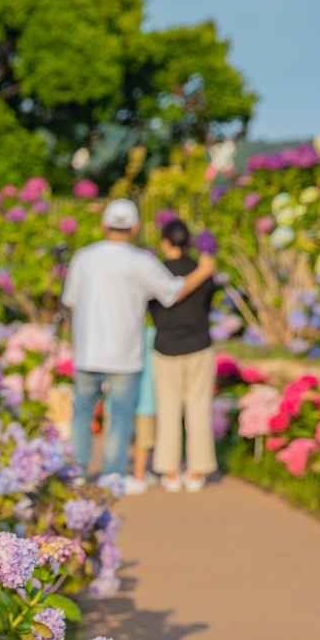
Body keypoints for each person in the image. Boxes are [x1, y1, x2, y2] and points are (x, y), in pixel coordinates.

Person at [60, 198, 215, 491]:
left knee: (82, 411)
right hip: (124, 354)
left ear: (104, 225)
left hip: (87, 351)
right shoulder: (141, 261)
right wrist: (203, 272)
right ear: (134, 228)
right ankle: (113, 472)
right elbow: (172, 292)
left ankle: (78, 469)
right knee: (119, 415)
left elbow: (69, 301)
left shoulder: (84, 258)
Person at [150, 219, 219, 492]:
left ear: (165, 242)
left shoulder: (156, 273)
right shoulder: (201, 271)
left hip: (165, 346)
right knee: (198, 408)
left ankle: (169, 472)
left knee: (168, 409)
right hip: (199, 345)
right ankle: (197, 471)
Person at [131, 325, 157, 486]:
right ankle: (139, 474)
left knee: (138, 438)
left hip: (129, 395)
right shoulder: (152, 333)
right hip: (147, 398)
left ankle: (139, 472)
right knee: (144, 438)